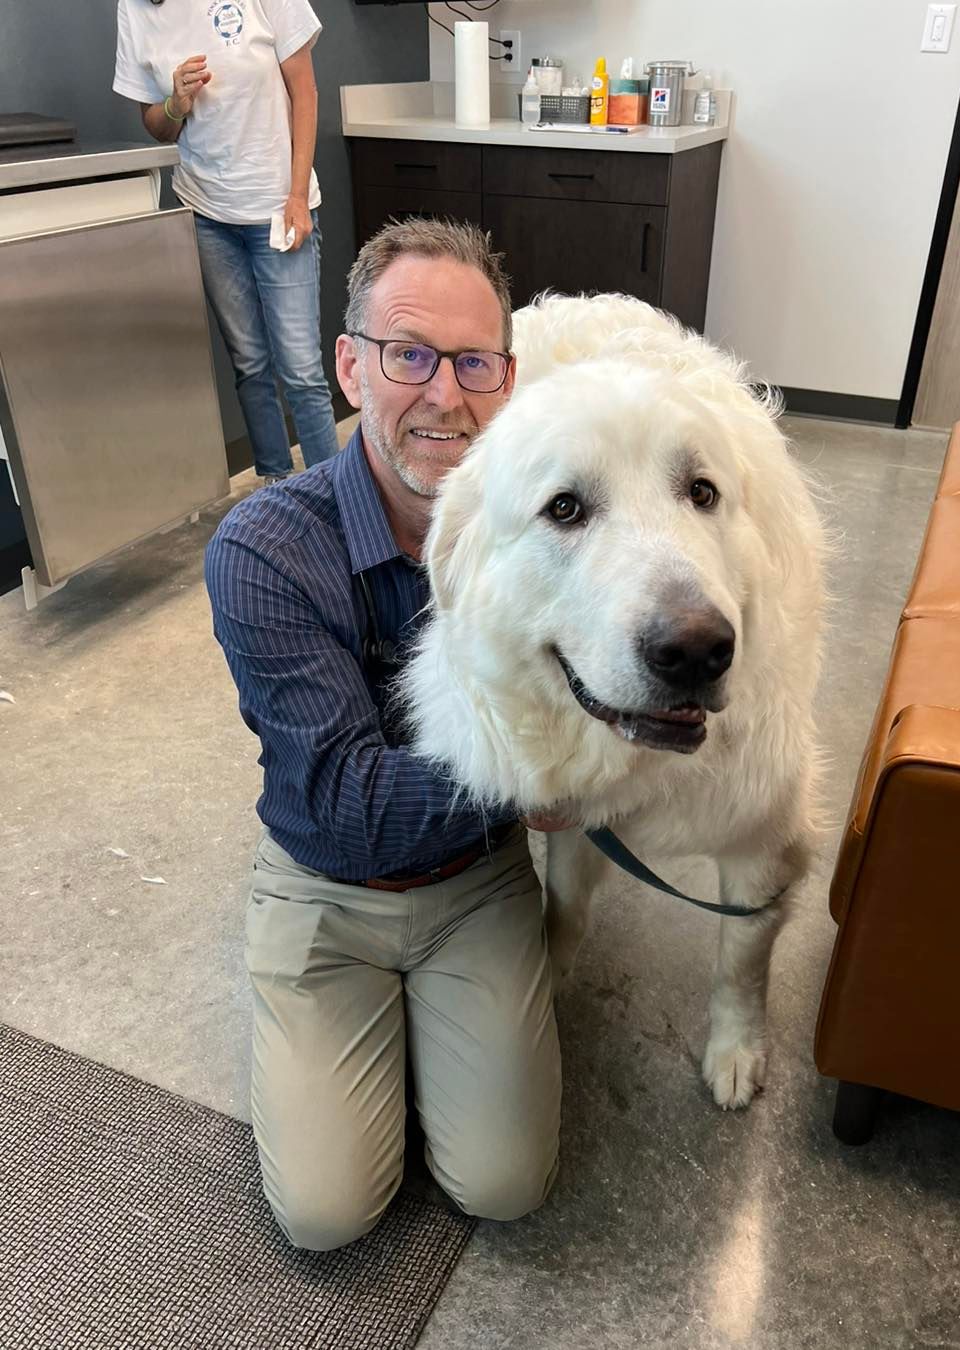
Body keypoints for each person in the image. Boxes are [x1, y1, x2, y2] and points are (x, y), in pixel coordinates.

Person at [204, 218, 566, 1250]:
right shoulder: (266, 548)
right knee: (325, 1214)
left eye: (474, 362)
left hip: (473, 883)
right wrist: (540, 771)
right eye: (409, 354)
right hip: (326, 882)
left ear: (508, 378)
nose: (445, 395)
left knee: (505, 1186)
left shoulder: (541, 528)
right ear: (351, 365)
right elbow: (349, 811)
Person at [113, 0, 340, 483]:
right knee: (250, 365)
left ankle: (335, 499)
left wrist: (297, 194)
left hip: (278, 208)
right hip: (207, 212)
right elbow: (156, 125)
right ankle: (276, 489)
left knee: (301, 372)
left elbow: (306, 92)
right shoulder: (133, 8)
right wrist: (175, 103)